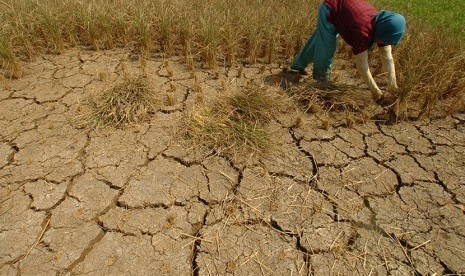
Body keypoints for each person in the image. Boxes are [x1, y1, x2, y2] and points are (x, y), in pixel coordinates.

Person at [290, 0, 406, 103]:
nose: (384, 43)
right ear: (381, 32)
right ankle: (321, 80)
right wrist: (376, 92)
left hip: (346, 10)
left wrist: (393, 86)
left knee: (319, 41)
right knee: (326, 47)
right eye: (385, 40)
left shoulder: (382, 26)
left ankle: (298, 65)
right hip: (330, 8)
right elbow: (362, 66)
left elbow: (388, 59)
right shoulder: (363, 32)